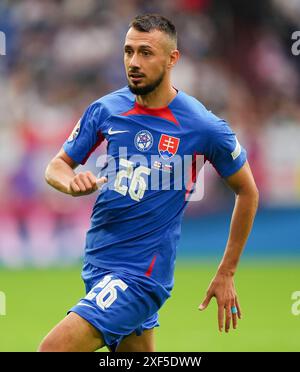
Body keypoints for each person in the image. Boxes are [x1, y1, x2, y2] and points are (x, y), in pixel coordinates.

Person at [38, 14, 259, 352]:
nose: (133, 62)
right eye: (128, 52)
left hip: (141, 276)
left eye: (145, 53)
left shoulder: (202, 126)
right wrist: (70, 182)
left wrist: (227, 271)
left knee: (52, 350)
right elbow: (56, 166)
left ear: (172, 59)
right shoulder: (106, 109)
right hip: (99, 263)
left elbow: (247, 190)